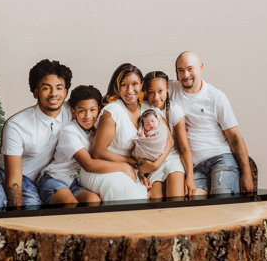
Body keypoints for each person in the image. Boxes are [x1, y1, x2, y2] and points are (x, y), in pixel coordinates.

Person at [0, 59, 73, 209]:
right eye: (46, 88)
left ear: (65, 92)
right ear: (36, 92)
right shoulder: (17, 125)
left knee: (32, 212)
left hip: (28, 181)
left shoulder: (72, 111)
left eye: (59, 88)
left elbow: (101, 104)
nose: (54, 94)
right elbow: (14, 181)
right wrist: (16, 215)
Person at [79, 63, 173, 201]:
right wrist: (132, 163)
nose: (130, 90)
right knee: (134, 198)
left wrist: (155, 164)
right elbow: (98, 152)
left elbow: (169, 140)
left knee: (147, 196)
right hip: (104, 167)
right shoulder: (113, 110)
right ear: (117, 87)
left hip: (129, 168)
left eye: (134, 84)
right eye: (124, 85)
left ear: (142, 85)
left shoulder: (148, 107)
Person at [168, 51, 254, 195]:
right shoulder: (171, 89)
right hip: (194, 166)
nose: (186, 75)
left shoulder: (216, 97)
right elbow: (143, 89)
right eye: (181, 70)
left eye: (190, 69)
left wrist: (247, 175)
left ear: (200, 67)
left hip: (220, 158)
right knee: (194, 206)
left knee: (221, 204)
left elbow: (235, 138)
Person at [37, 85, 136, 205]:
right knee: (70, 203)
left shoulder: (96, 132)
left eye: (92, 110)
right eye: (82, 111)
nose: (88, 116)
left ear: (99, 109)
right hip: (56, 178)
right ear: (74, 111)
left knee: (94, 201)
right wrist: (124, 166)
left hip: (76, 182)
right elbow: (88, 164)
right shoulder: (69, 131)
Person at [143, 71, 195, 197]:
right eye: (151, 92)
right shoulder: (142, 109)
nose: (156, 97)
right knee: (155, 202)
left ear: (167, 87)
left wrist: (190, 178)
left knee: (176, 199)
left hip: (173, 159)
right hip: (154, 162)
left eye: (160, 91)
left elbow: (184, 147)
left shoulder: (174, 110)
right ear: (145, 91)